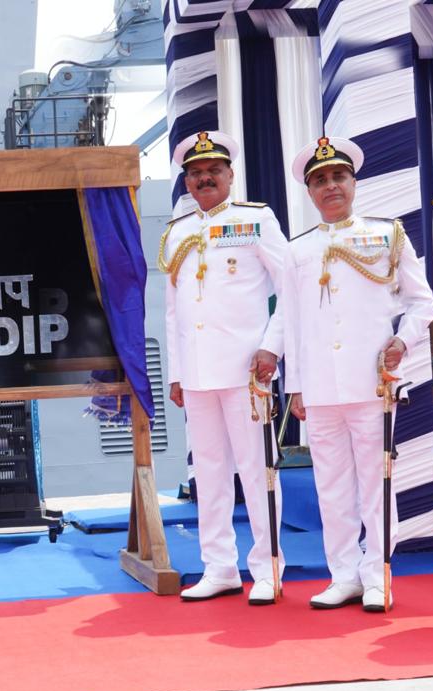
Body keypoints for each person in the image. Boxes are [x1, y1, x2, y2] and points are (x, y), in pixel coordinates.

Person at [282, 136, 433, 612]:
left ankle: (376, 575)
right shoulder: (298, 249)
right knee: (330, 485)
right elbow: (290, 320)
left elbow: (421, 302)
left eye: (338, 177)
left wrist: (404, 341)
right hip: (321, 386)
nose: (330, 186)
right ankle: (343, 574)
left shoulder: (387, 234)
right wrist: (295, 387)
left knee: (376, 482)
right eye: (320, 180)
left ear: (353, 182)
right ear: (310, 192)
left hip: (371, 383)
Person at [160, 131, 288, 605]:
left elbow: (289, 287)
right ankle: (219, 567)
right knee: (208, 474)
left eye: (213, 170)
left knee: (257, 472)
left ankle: (268, 568)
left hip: (245, 370)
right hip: (196, 374)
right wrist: (176, 372)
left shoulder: (255, 221)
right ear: (186, 183)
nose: (204, 178)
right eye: (195, 173)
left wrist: (272, 347)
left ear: (230, 175)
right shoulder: (176, 231)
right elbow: (173, 309)